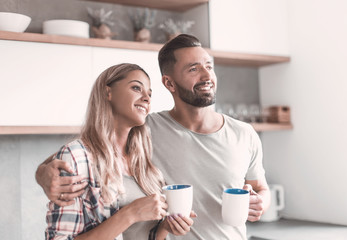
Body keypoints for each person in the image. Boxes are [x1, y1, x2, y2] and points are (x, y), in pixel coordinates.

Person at [36, 35, 270, 239]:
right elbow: (82, 154)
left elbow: (261, 189)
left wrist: (262, 202)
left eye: (209, 66)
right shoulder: (145, 128)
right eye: (194, 69)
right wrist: (43, 174)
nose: (206, 74)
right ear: (169, 83)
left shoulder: (244, 133)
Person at [41, 63, 195, 240]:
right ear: (108, 93)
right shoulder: (77, 156)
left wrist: (165, 228)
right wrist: (130, 214)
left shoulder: (143, 159)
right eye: (136, 88)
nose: (146, 98)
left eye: (149, 94)